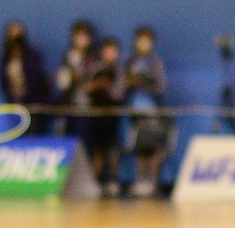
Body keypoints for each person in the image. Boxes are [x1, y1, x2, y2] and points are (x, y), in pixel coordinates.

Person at [123, 26, 170, 197]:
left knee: (155, 146)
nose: (144, 44)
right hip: (136, 109)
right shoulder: (130, 62)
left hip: (153, 109)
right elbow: (122, 85)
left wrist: (145, 82)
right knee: (140, 147)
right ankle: (142, 181)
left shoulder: (155, 63)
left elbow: (161, 86)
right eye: (141, 40)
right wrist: (130, 83)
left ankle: (154, 182)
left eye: (147, 40)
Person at [86, 37, 125, 195]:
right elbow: (86, 88)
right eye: (108, 50)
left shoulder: (119, 71)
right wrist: (97, 85)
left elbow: (119, 94)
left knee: (113, 149)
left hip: (112, 115)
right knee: (98, 149)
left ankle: (113, 180)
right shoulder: (94, 68)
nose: (110, 54)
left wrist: (108, 87)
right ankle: (96, 180)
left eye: (113, 51)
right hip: (96, 114)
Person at [56, 20, 97, 137]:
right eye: (79, 36)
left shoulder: (93, 57)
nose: (81, 40)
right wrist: (70, 78)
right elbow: (62, 81)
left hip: (85, 105)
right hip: (68, 104)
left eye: (85, 36)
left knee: (82, 135)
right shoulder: (67, 56)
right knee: (65, 134)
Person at [0, 21, 52, 110]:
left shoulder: (32, 57)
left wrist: (24, 95)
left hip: (33, 103)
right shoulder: (5, 59)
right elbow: (3, 82)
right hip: (14, 103)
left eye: (18, 38)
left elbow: (35, 80)